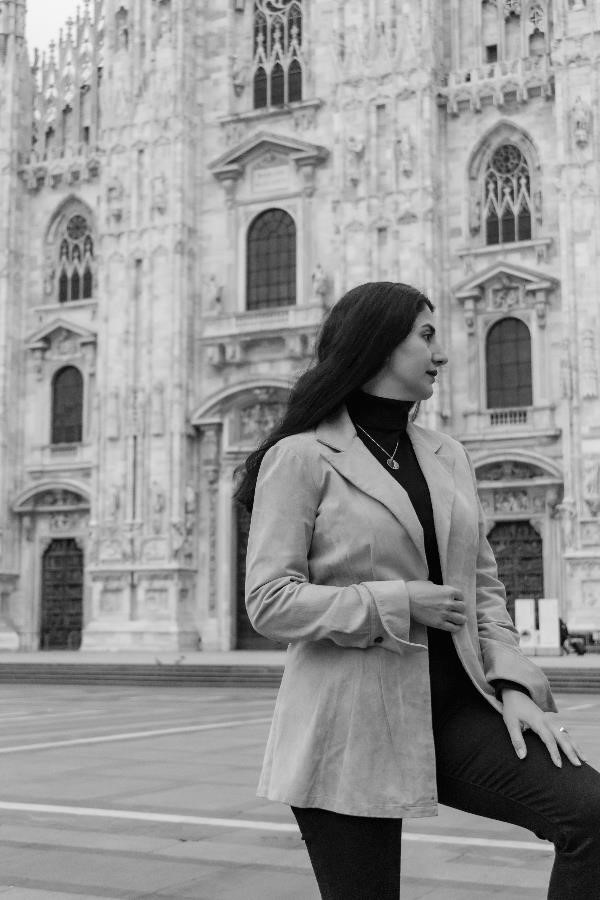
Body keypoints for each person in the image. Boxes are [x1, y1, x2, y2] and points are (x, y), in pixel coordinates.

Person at [235, 282, 600, 900]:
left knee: (589, 816)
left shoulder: (446, 454)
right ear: (379, 345)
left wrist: (512, 682)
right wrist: (399, 603)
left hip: (458, 708)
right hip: (348, 725)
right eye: (427, 336)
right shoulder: (301, 457)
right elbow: (269, 598)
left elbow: (483, 585)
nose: (442, 352)